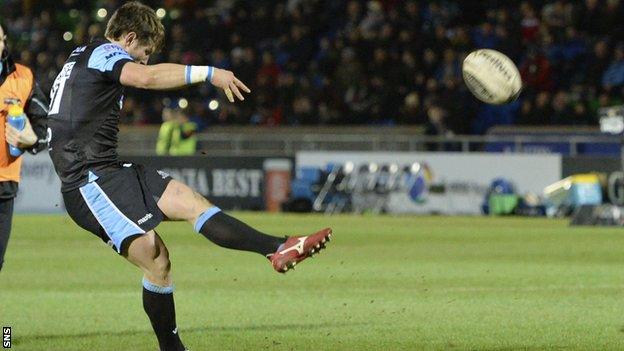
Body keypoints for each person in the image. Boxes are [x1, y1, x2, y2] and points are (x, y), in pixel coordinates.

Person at [46, 2, 332, 351]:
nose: (145, 60)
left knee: (189, 201)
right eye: (145, 52)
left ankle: (278, 247)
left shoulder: (82, 56)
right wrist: (210, 73)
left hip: (108, 168)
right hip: (88, 181)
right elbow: (146, 78)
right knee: (155, 258)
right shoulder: (105, 52)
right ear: (130, 38)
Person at [0, 24, 49, 272]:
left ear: (4, 41)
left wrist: (32, 140)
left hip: (4, 184)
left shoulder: (23, 78)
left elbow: (46, 128)